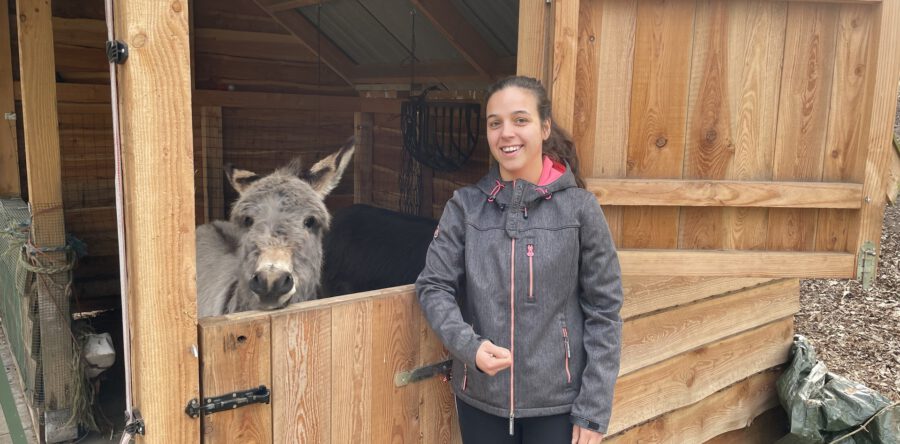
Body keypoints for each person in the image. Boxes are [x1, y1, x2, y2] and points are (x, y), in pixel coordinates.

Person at [416, 75, 623, 444]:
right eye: (495, 123)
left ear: (544, 128)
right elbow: (434, 286)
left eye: (520, 120)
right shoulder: (465, 207)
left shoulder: (580, 210)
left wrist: (593, 409)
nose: (506, 133)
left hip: (558, 406)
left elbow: (604, 310)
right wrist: (470, 347)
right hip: (481, 398)